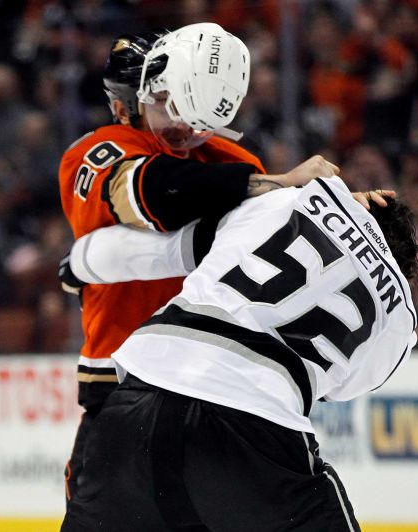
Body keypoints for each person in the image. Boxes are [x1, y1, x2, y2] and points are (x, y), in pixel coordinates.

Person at [58, 21, 342, 503]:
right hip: (121, 379)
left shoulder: (231, 158)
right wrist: (276, 183)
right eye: (164, 102)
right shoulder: (96, 150)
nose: (184, 124)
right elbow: (153, 193)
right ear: (130, 100)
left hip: (217, 383)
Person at [60, 175, 418, 531]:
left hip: (140, 393)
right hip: (252, 424)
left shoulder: (284, 201)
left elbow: (164, 251)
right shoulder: (400, 314)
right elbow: (340, 388)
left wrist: (78, 264)